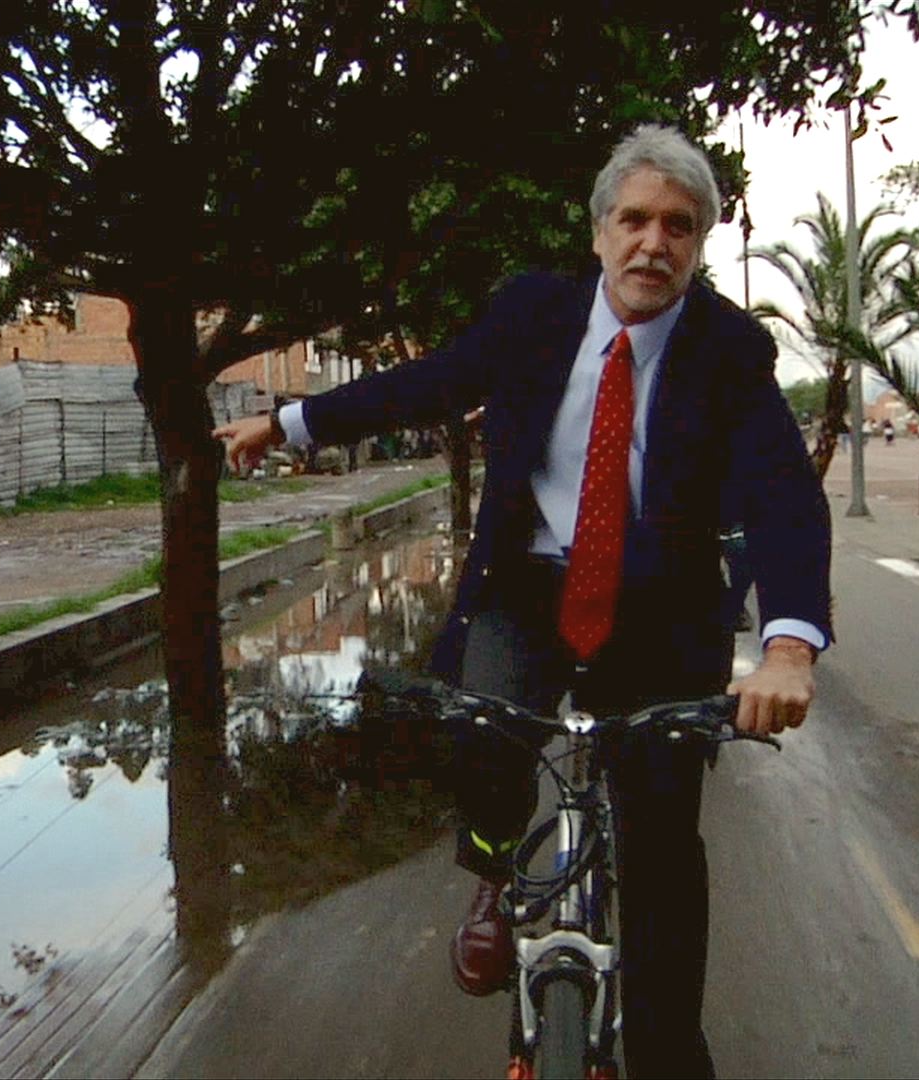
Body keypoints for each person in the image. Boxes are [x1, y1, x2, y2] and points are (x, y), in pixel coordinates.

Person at [215, 124, 831, 1077]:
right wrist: (288, 421)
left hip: (662, 612)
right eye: (634, 220)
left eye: (677, 226)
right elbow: (430, 383)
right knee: (485, 736)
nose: (652, 244)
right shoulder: (534, 314)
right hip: (530, 586)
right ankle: (493, 873)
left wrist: (788, 648)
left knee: (663, 846)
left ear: (700, 242)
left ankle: (669, 1051)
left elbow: (785, 498)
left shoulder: (731, 350)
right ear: (599, 232)